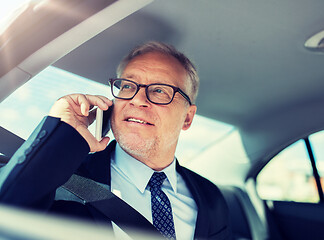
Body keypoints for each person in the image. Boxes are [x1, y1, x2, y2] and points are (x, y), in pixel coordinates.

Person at [0, 41, 232, 239]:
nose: (138, 100)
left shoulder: (211, 198)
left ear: (187, 118)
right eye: (128, 86)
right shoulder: (62, 180)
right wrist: (60, 132)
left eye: (160, 90)